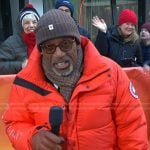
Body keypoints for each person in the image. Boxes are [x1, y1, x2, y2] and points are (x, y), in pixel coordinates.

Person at [2, 9, 148, 150]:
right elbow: (13, 123)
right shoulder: (25, 83)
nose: (58, 53)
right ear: (40, 50)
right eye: (49, 47)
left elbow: (132, 129)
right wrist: (31, 138)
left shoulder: (111, 73)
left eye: (65, 44)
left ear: (77, 42)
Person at [0, 4, 40, 74]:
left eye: (34, 22)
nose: (31, 25)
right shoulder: (10, 43)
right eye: (26, 23)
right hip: (21, 83)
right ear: (21, 26)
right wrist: (20, 65)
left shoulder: (43, 40)